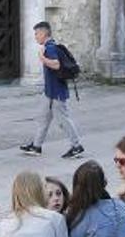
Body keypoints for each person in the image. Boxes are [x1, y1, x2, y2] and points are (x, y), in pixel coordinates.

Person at [20, 21, 84, 159]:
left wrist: (42, 58)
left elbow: (56, 65)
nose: (35, 36)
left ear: (43, 33)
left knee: (64, 121)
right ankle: (36, 146)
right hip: (49, 93)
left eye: (37, 34)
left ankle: (77, 146)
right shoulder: (50, 46)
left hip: (57, 94)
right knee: (43, 119)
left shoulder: (49, 48)